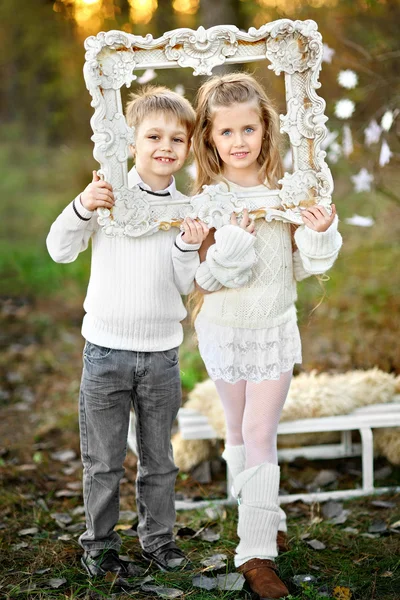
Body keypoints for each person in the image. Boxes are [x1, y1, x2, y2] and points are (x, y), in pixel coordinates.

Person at [46, 86, 209, 580]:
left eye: (176, 139)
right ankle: (98, 543)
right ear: (132, 142)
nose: (165, 146)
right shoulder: (107, 196)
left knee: (160, 459)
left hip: (160, 354)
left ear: (188, 147)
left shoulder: (186, 207)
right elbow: (59, 249)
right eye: (153, 136)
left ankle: (158, 539)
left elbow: (185, 284)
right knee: (104, 459)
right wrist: (81, 205)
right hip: (106, 351)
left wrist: (187, 245)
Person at [190, 73, 342, 599]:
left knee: (260, 433)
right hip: (224, 328)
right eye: (226, 132)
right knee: (236, 429)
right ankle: (257, 515)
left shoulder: (288, 190)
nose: (239, 141)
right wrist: (230, 240)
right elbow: (206, 274)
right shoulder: (209, 198)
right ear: (209, 136)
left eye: (248, 128)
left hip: (273, 328)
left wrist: (318, 235)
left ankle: (256, 556)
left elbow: (296, 266)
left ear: (266, 129)